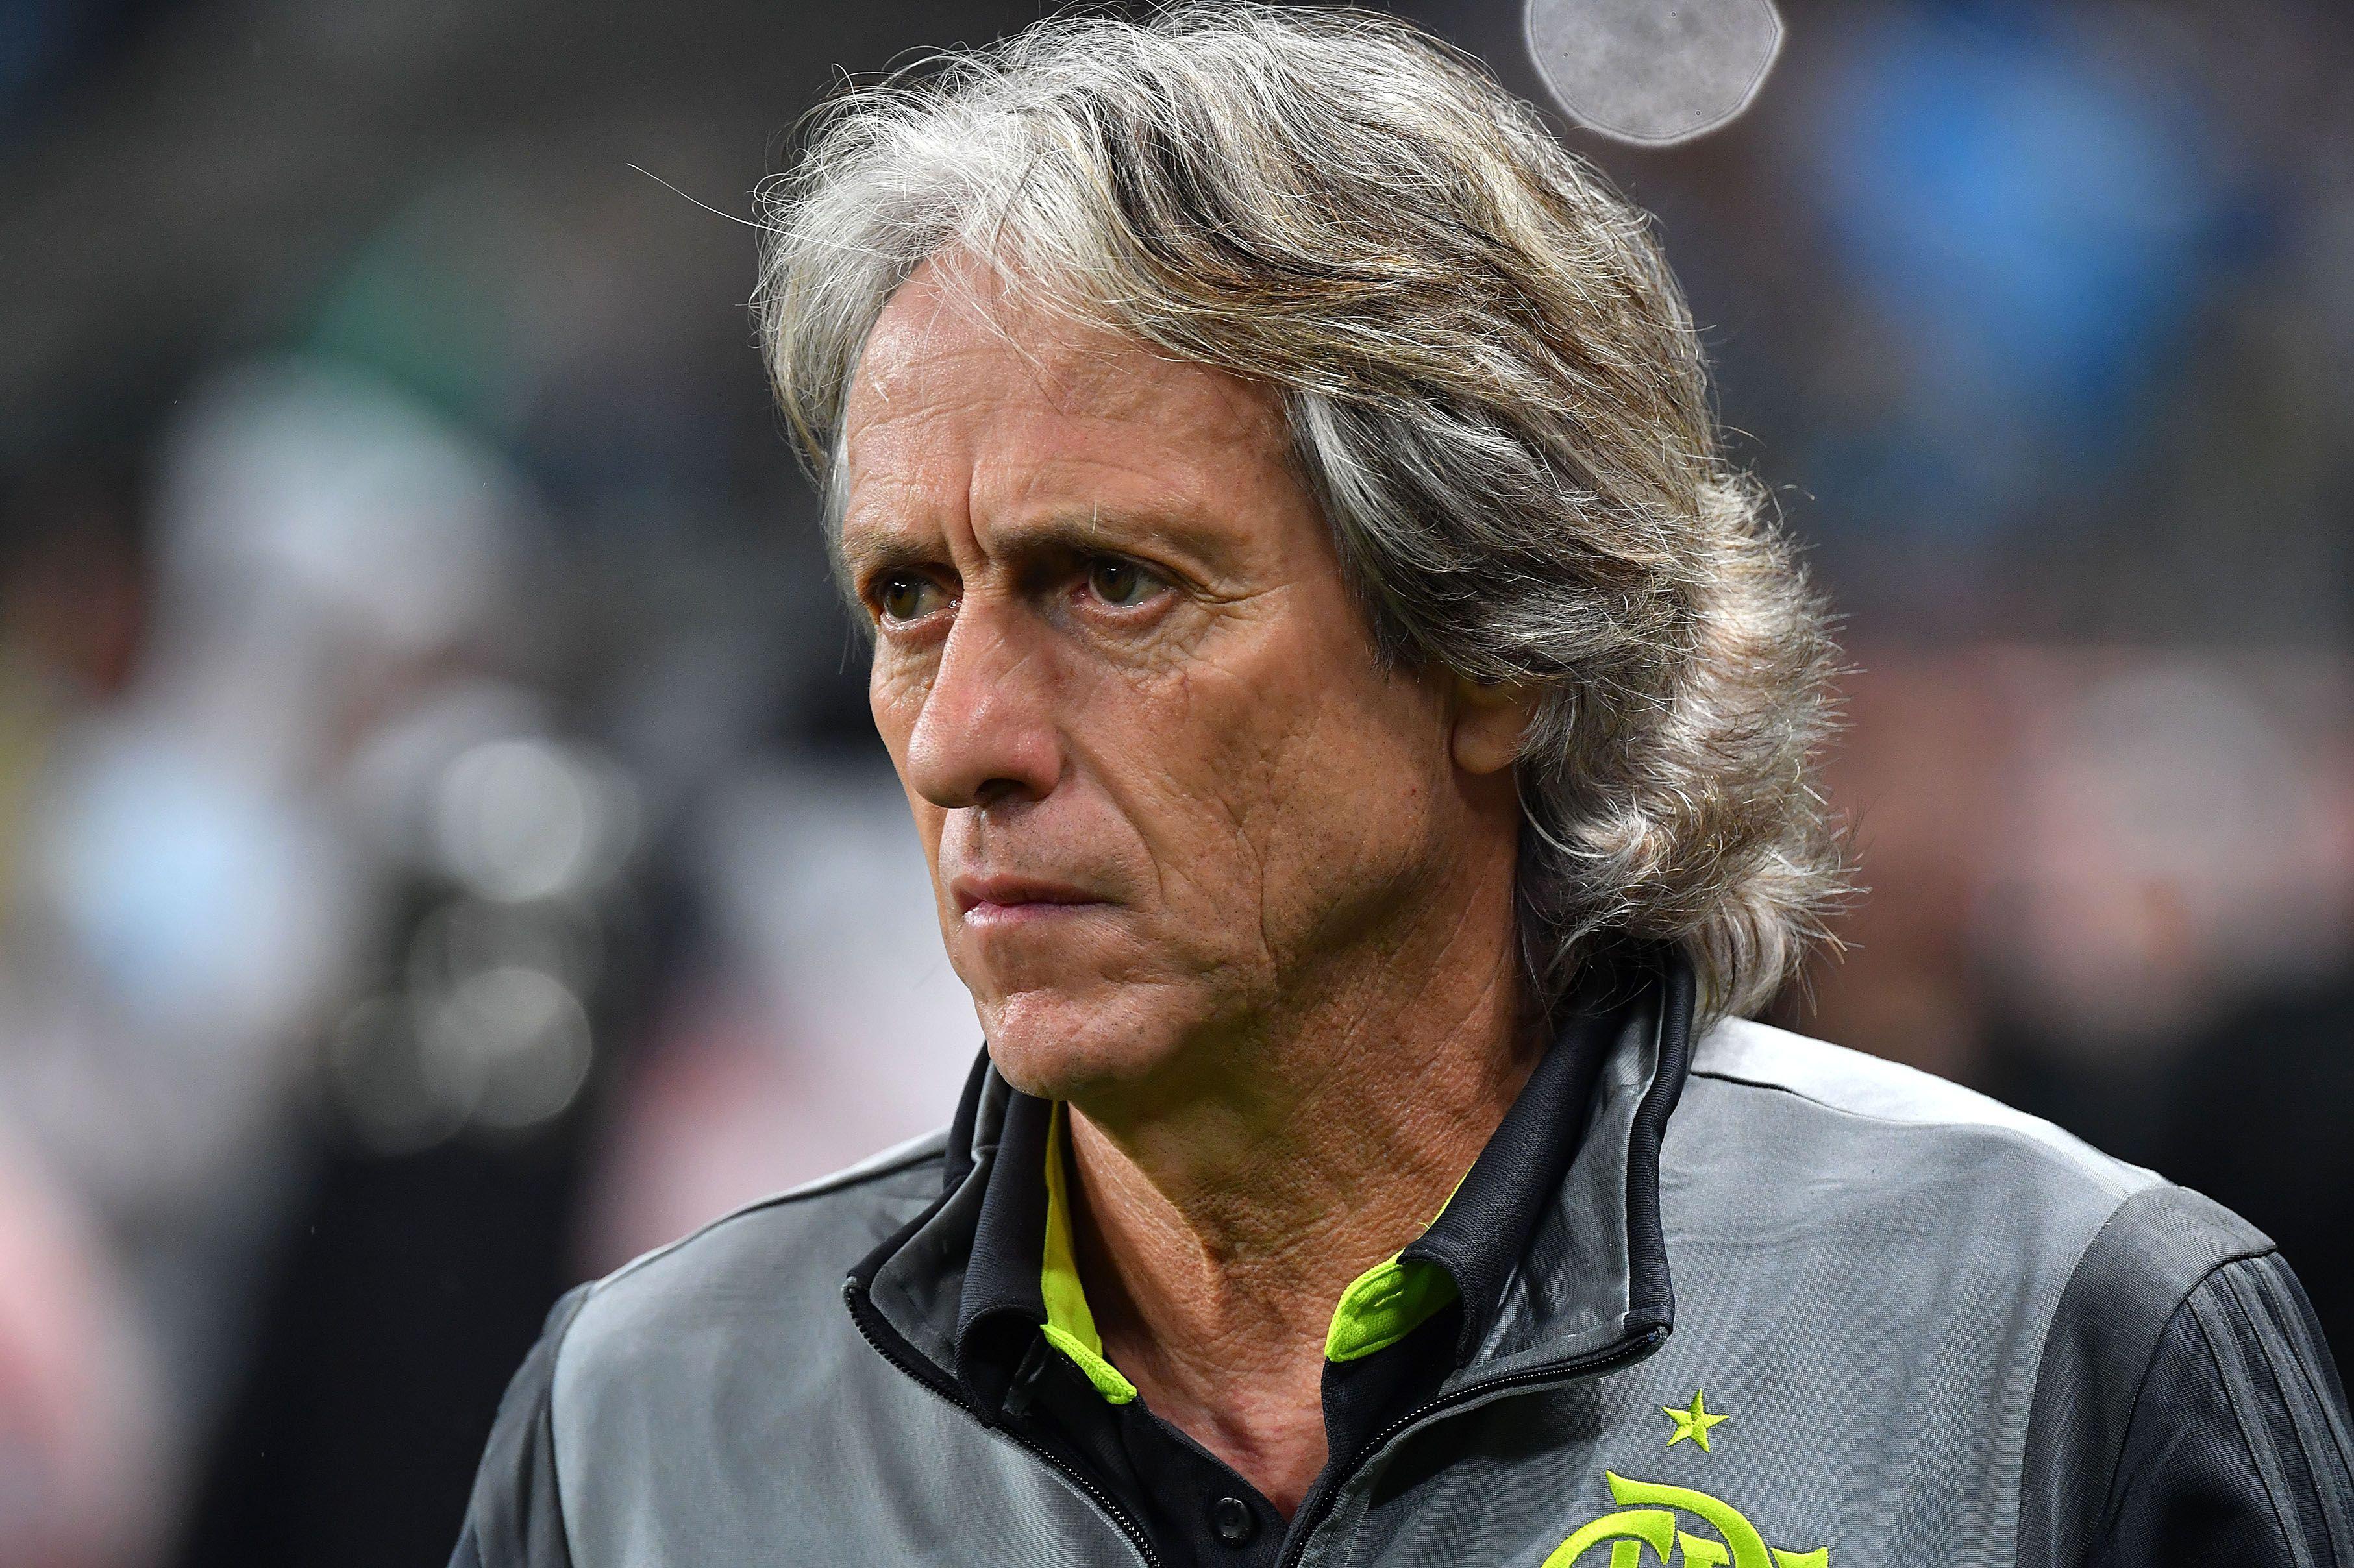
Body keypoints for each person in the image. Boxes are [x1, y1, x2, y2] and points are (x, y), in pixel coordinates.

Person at [451, 8, 2351, 1564]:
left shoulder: (2049, 1336)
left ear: (1499, 643)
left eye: (1115, 584)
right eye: (907, 599)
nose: (963, 736)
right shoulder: (646, 1414)